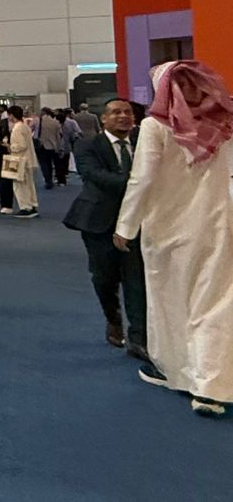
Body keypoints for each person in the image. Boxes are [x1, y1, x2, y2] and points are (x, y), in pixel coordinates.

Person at [115, 60, 233, 417]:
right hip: (217, 226)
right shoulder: (222, 124)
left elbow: (142, 179)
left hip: (167, 231)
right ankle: (211, 386)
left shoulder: (155, 126)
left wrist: (125, 226)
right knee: (214, 305)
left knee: (170, 304)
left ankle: (176, 372)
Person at [65, 98, 146, 358]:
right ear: (104, 119)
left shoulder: (145, 142)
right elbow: (94, 175)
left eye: (127, 112)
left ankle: (138, 338)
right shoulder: (88, 144)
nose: (123, 116)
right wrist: (139, 184)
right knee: (104, 278)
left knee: (136, 280)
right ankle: (113, 318)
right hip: (99, 222)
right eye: (116, 112)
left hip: (138, 222)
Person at [3, 106, 40, 217]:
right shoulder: (24, 126)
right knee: (29, 184)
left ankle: (25, 207)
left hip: (19, 160)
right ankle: (32, 205)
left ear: (12, 115)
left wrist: (9, 146)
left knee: (19, 185)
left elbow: (21, 145)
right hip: (27, 159)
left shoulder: (17, 128)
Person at [36, 108, 62, 189]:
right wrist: (58, 147)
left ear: (43, 112)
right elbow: (58, 136)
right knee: (50, 163)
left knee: (44, 164)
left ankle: (48, 180)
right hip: (52, 145)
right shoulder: (56, 122)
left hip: (41, 145)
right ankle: (51, 178)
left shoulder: (38, 121)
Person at [57, 110, 79, 186]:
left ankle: (61, 179)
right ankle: (63, 176)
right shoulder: (70, 123)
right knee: (64, 161)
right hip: (67, 145)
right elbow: (74, 134)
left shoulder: (56, 125)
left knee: (59, 163)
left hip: (58, 146)